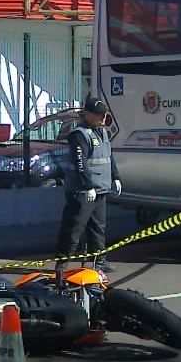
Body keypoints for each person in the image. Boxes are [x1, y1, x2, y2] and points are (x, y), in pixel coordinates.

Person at [56, 97, 121, 274]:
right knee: (74, 228)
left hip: (100, 188)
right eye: (99, 114)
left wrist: (115, 177)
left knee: (98, 228)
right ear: (88, 114)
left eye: (104, 114)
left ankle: (99, 260)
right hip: (82, 191)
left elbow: (109, 156)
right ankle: (62, 263)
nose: (103, 118)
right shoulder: (79, 134)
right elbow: (80, 163)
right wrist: (87, 186)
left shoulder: (103, 132)